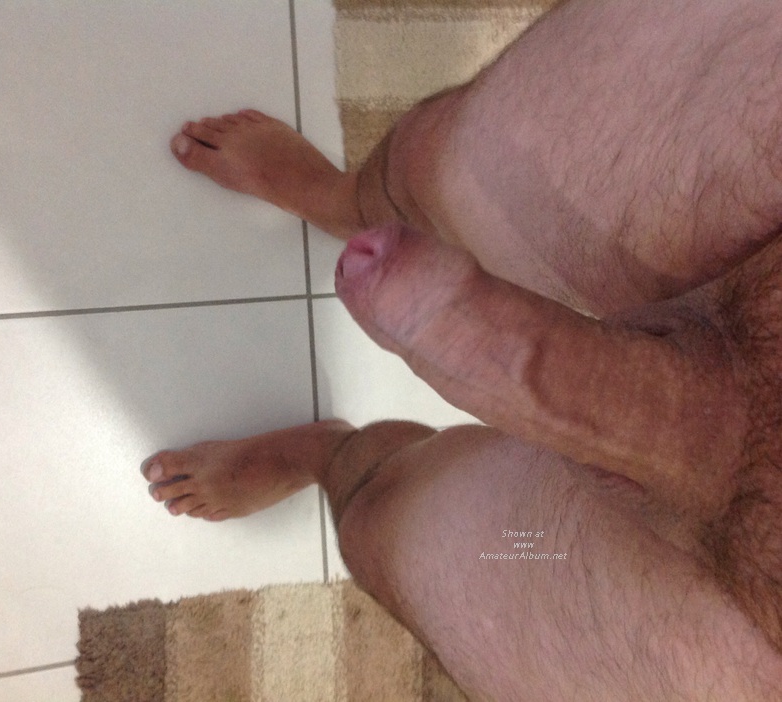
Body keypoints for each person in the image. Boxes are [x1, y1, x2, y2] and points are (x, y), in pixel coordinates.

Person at [143, 1, 782, 698]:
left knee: (381, 521)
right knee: (438, 167)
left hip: (736, 638)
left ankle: (321, 455)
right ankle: (340, 202)